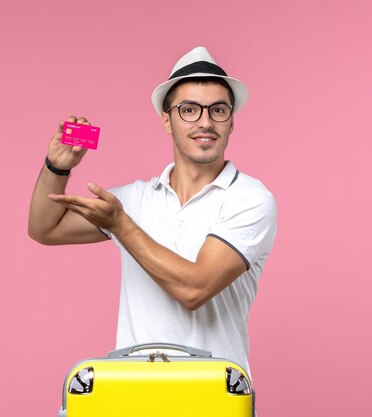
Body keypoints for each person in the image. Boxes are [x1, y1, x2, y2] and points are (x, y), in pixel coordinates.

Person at [28, 46, 277, 373]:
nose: (205, 122)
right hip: (135, 393)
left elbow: (194, 288)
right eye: (189, 110)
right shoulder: (135, 199)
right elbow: (45, 229)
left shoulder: (249, 199)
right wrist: (56, 168)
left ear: (231, 122)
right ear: (166, 120)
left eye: (218, 110)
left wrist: (120, 225)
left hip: (215, 395)